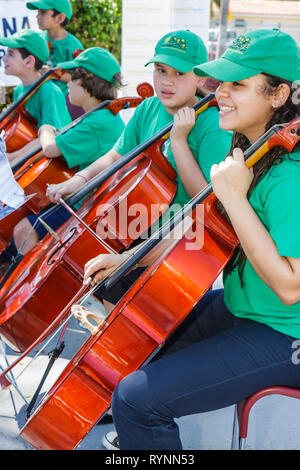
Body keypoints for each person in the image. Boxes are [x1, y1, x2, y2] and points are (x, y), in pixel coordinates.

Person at [83, 28, 300, 450]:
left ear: (278, 96)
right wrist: (129, 261)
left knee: (135, 400)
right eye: (222, 82)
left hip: (285, 334)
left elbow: (291, 286)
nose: (221, 93)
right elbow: (202, 226)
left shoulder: (290, 175)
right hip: (245, 309)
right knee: (146, 335)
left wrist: (235, 198)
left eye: (239, 84)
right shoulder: (251, 151)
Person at [46, 29, 233, 312]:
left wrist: (179, 139)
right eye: (160, 70)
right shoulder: (148, 108)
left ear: (199, 77)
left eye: (179, 73)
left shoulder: (211, 124)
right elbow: (114, 157)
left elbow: (206, 200)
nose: (166, 82)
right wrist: (79, 180)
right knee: (103, 295)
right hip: (131, 230)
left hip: (176, 245)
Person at [9, 47, 125, 257]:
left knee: (23, 230)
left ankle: (37, 287)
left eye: (72, 79)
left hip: (85, 206)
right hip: (85, 200)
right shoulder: (101, 117)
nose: (68, 84)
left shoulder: (98, 122)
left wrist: (45, 128)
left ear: (87, 82)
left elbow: (51, 148)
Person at [0, 29, 72, 162]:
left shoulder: (49, 91)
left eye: (10, 54)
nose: (4, 58)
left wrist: (12, 158)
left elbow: (53, 137)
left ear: (29, 61)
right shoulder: (19, 90)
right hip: (30, 159)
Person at [26, 0, 84, 117]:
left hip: (63, 106)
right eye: (38, 12)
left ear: (60, 18)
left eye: (43, 12)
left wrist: (54, 73)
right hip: (39, 101)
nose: (37, 16)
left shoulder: (73, 46)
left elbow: (80, 79)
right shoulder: (39, 39)